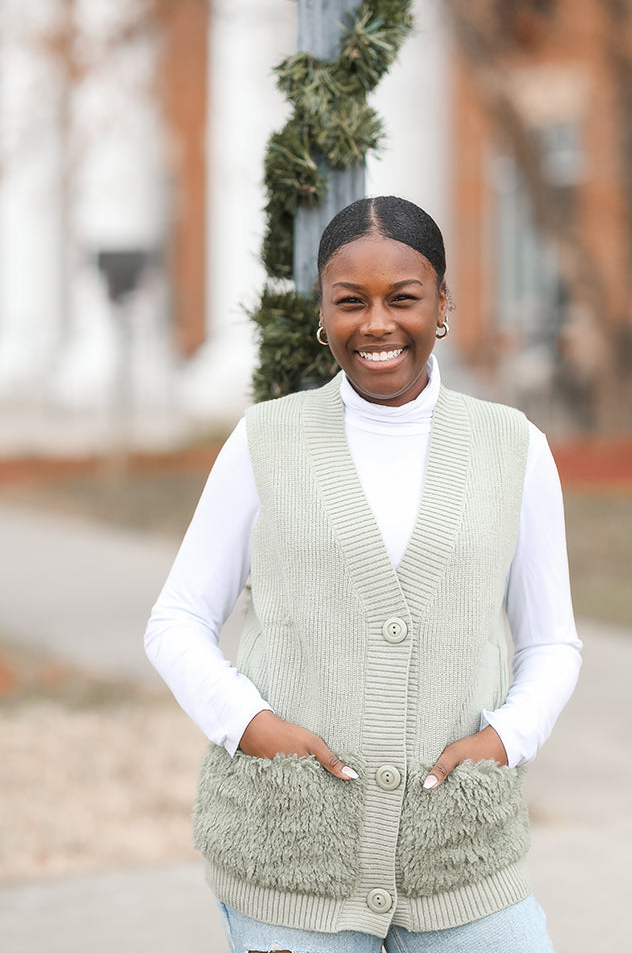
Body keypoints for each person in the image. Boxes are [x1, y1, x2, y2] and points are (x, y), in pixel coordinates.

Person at [145, 196, 582, 953]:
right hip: (292, 864)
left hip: (458, 857)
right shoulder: (264, 441)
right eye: (350, 302)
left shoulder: (513, 448)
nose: (376, 324)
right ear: (323, 314)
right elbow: (176, 619)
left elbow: (551, 641)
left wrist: (505, 740)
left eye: (402, 299)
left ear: (441, 305)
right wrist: (247, 726)